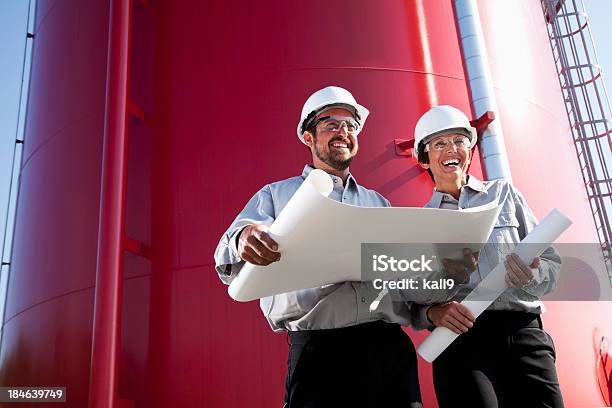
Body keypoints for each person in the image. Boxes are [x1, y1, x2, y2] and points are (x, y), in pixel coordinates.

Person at [214, 86, 423, 407]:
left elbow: (400, 273)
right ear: (308, 137)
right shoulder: (275, 196)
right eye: (331, 125)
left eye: (350, 125)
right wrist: (245, 239)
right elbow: (228, 250)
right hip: (319, 355)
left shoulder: (379, 203)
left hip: (388, 349)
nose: (343, 132)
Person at [411, 105, 565, 408]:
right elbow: (410, 297)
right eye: (439, 143)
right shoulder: (418, 225)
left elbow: (552, 265)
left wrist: (533, 275)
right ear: (424, 157)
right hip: (458, 340)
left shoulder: (504, 195)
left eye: (459, 140)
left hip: (522, 333)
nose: (450, 149)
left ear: (470, 150)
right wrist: (431, 311)